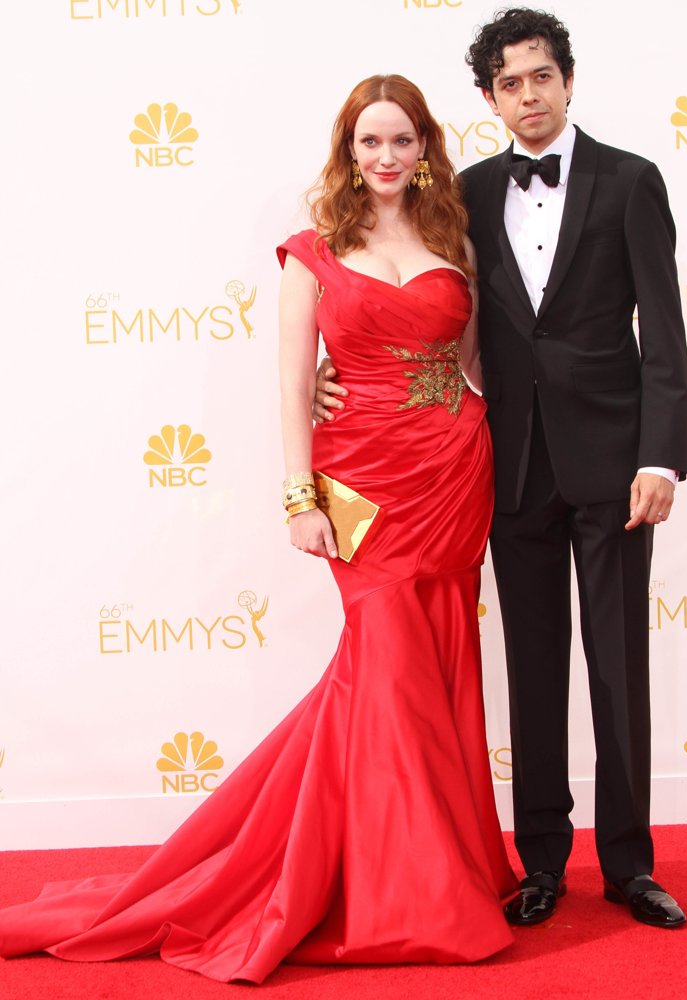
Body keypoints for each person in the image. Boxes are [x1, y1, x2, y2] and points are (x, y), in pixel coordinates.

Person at [0, 76, 515, 983]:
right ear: (347, 153)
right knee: (388, 664)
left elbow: (468, 361)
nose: (386, 157)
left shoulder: (454, 240)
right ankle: (405, 888)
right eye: (369, 143)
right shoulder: (310, 253)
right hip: (360, 485)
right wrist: (298, 498)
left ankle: (433, 863)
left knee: (432, 667)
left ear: (425, 146)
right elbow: (289, 385)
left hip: (450, 473)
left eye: (401, 141)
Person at [314, 9, 687, 930]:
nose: (527, 95)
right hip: (503, 466)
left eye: (540, 77)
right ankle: (542, 865)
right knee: (529, 671)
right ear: (488, 99)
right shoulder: (467, 195)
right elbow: (422, 311)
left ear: (567, 81)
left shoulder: (630, 180)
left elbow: (663, 333)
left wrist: (660, 458)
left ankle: (631, 865)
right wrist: (346, 368)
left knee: (617, 670)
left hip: (612, 466)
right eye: (508, 84)